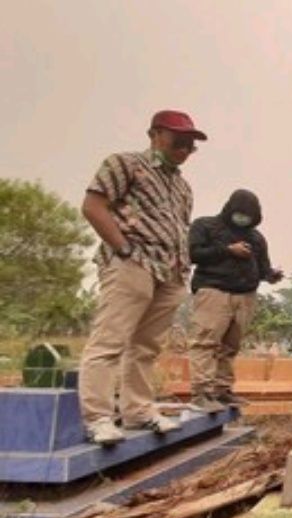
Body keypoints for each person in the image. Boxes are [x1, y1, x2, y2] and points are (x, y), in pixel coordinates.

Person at [77, 110, 208, 445]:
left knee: (146, 346)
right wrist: (122, 249)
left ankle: (139, 410)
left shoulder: (182, 186)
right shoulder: (126, 164)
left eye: (191, 143)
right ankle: (98, 417)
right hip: (132, 262)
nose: (185, 148)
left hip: (170, 270)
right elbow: (93, 206)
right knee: (111, 339)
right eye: (178, 139)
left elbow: (180, 228)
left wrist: (182, 269)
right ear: (155, 135)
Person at [187, 189, 283, 412]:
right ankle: (201, 392)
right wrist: (228, 250)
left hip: (245, 296)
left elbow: (262, 267)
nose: (244, 218)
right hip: (214, 291)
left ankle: (222, 390)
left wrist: (271, 275)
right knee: (206, 341)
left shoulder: (256, 238)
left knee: (230, 346)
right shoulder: (205, 226)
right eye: (240, 213)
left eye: (249, 214)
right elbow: (193, 254)